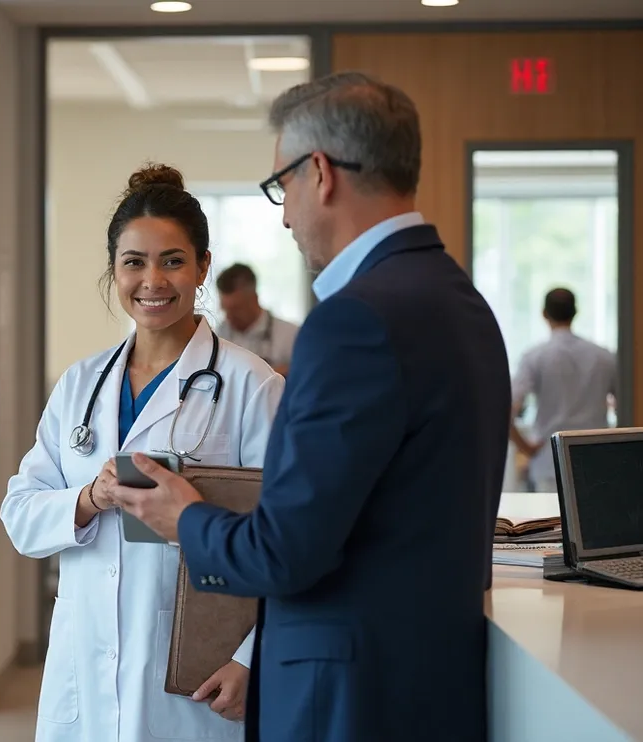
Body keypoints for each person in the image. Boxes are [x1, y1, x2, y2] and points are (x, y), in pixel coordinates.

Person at [108, 72, 510, 742]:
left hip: (348, 698)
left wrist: (186, 517)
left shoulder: (353, 321)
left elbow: (286, 552)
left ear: (319, 172)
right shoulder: (460, 301)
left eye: (282, 188)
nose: (287, 215)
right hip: (429, 681)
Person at [2, 164, 285, 742]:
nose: (152, 280)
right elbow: (21, 515)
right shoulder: (80, 385)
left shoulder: (252, 386)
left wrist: (252, 659)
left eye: (173, 260)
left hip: (197, 673)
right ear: (114, 270)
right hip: (84, 666)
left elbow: (287, 536)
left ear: (202, 266)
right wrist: (87, 497)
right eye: (134, 262)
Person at [510, 287, 618, 491]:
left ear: (544, 314)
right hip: (598, 459)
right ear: (575, 312)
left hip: (549, 462)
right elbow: (627, 403)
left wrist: (526, 448)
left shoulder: (535, 357)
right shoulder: (604, 356)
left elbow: (507, 411)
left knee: (552, 520)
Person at [212, 263, 300, 375]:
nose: (229, 317)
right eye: (225, 310)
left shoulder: (290, 335)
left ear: (255, 299)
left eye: (235, 309)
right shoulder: (219, 335)